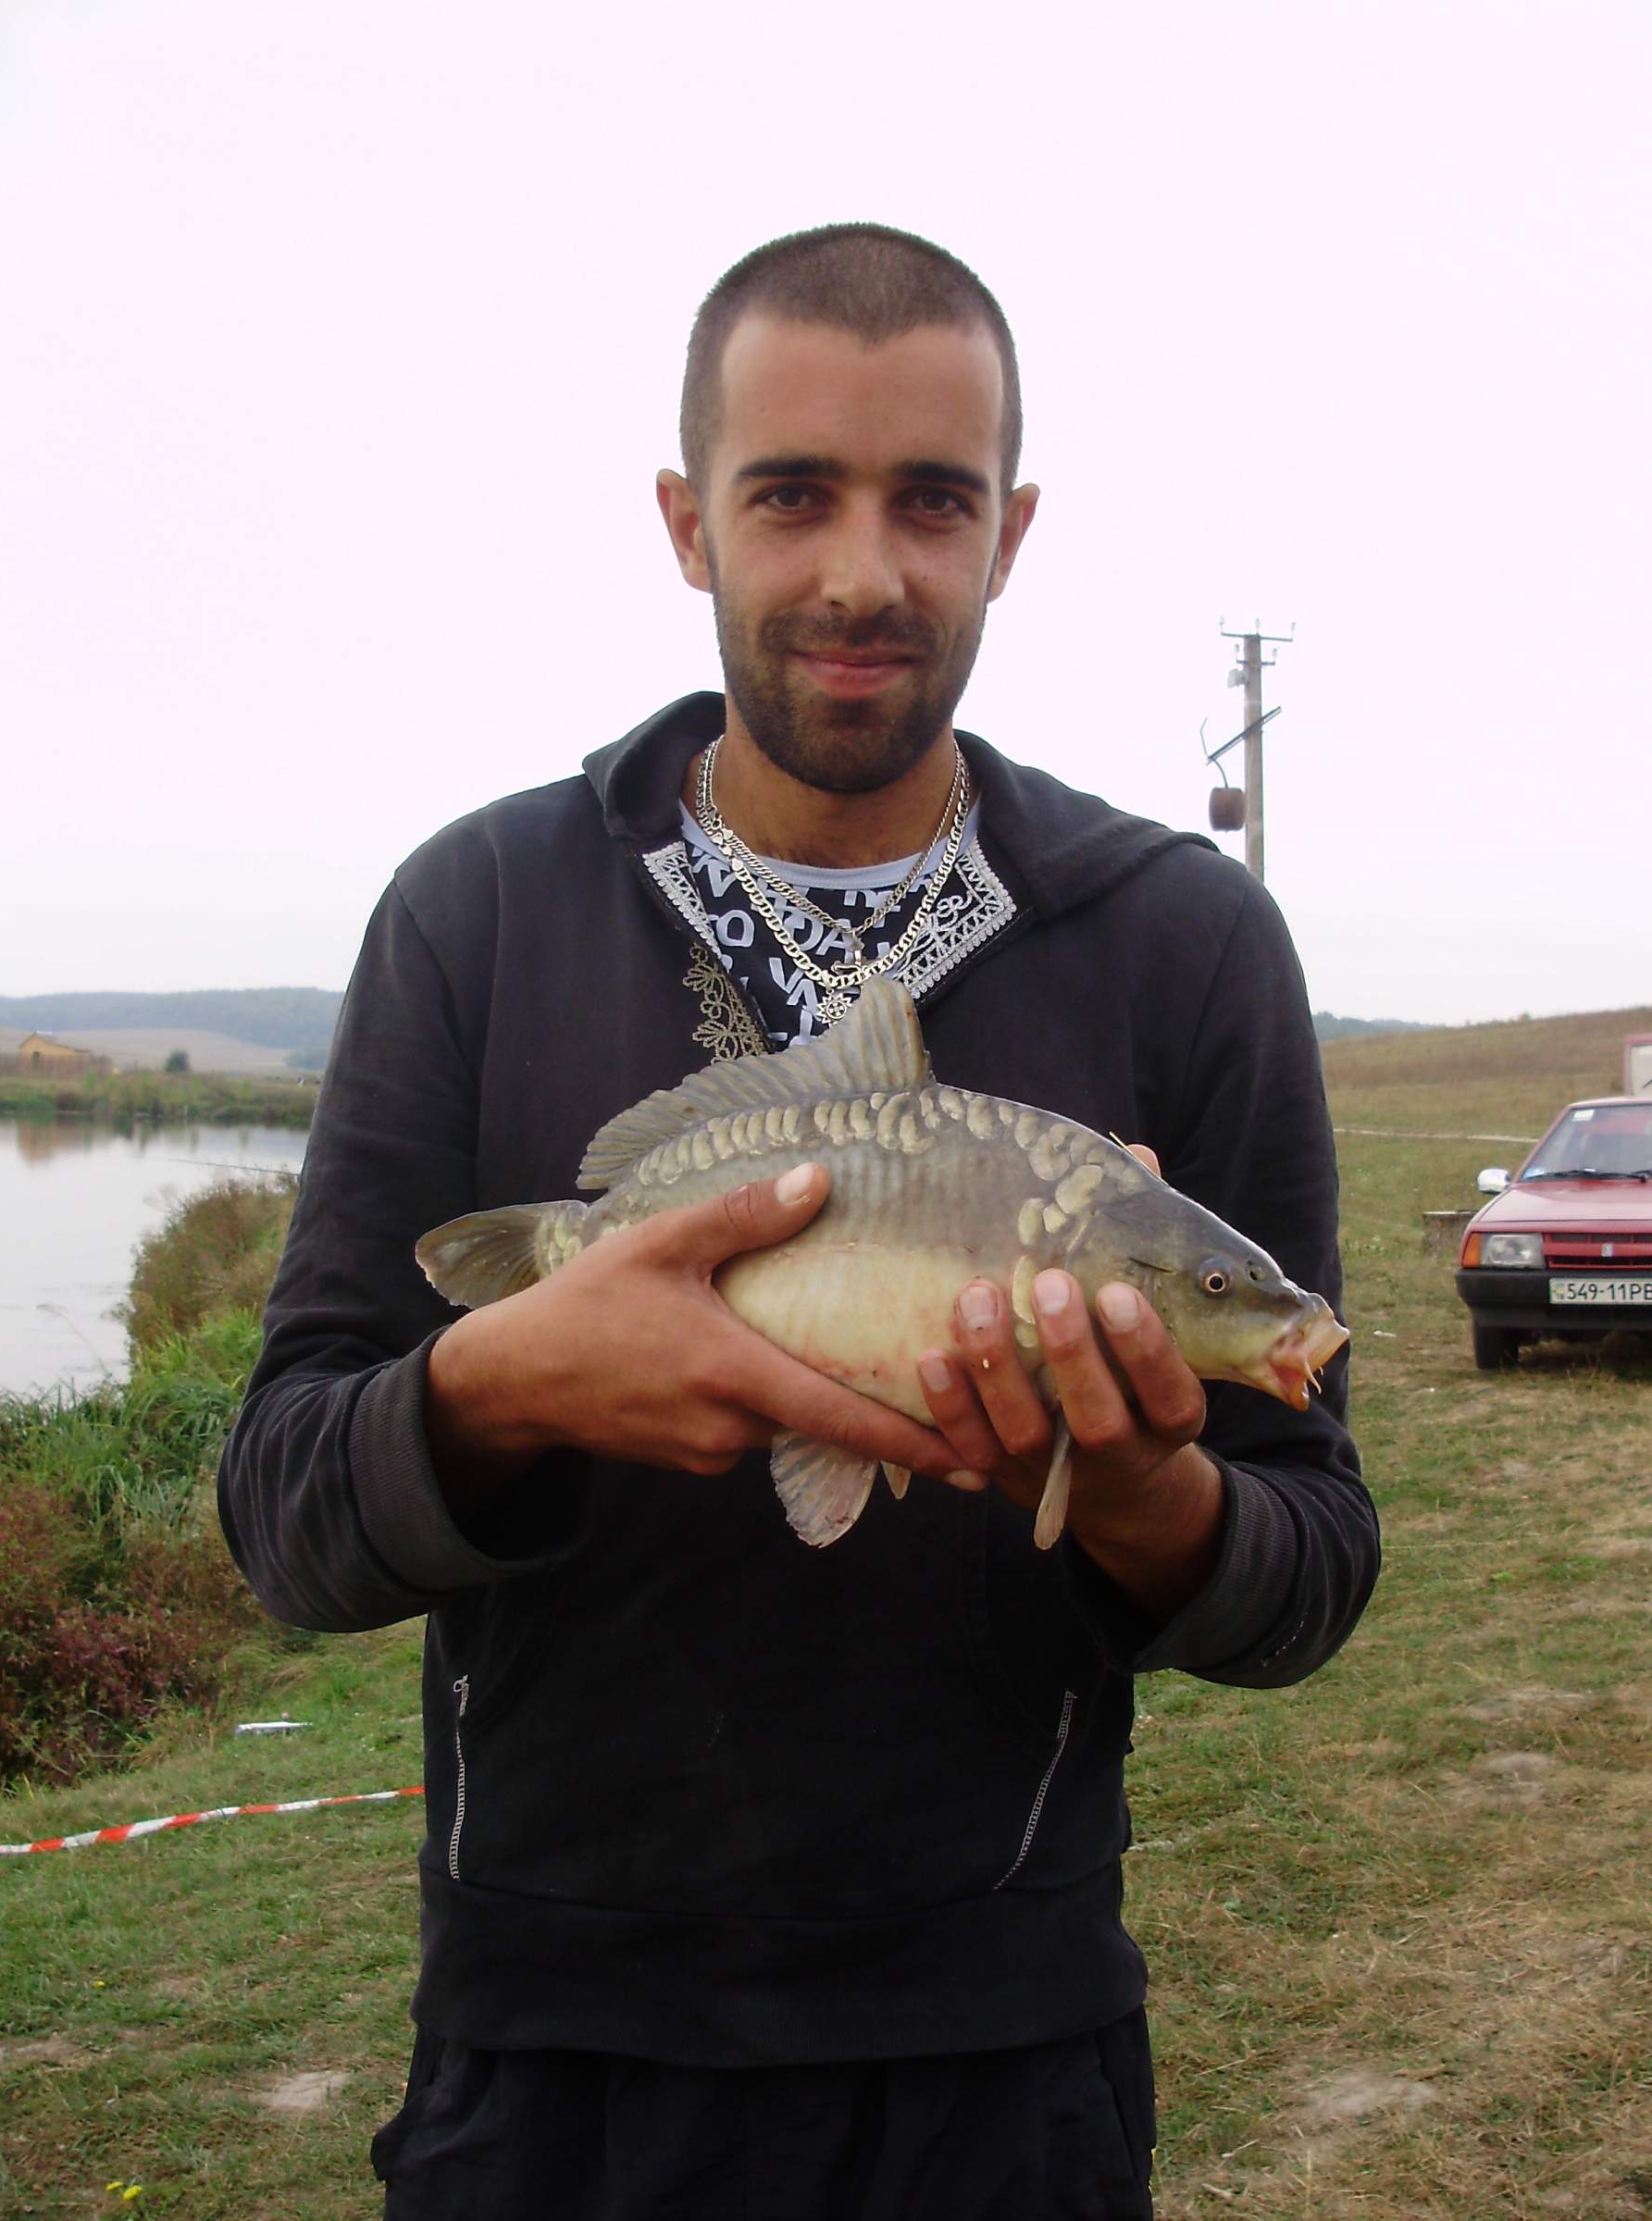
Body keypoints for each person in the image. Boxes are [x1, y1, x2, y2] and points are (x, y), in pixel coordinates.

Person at [218, 223, 1378, 2220]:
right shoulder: (474, 915)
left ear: (1009, 533)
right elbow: (286, 1518)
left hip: (1003, 2058)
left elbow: (1312, 1571)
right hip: (552, 2060)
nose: (863, 573)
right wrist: (504, 1388)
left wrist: (1136, 1492)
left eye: (931, 500)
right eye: (791, 496)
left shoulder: (1187, 944)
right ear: (689, 524)